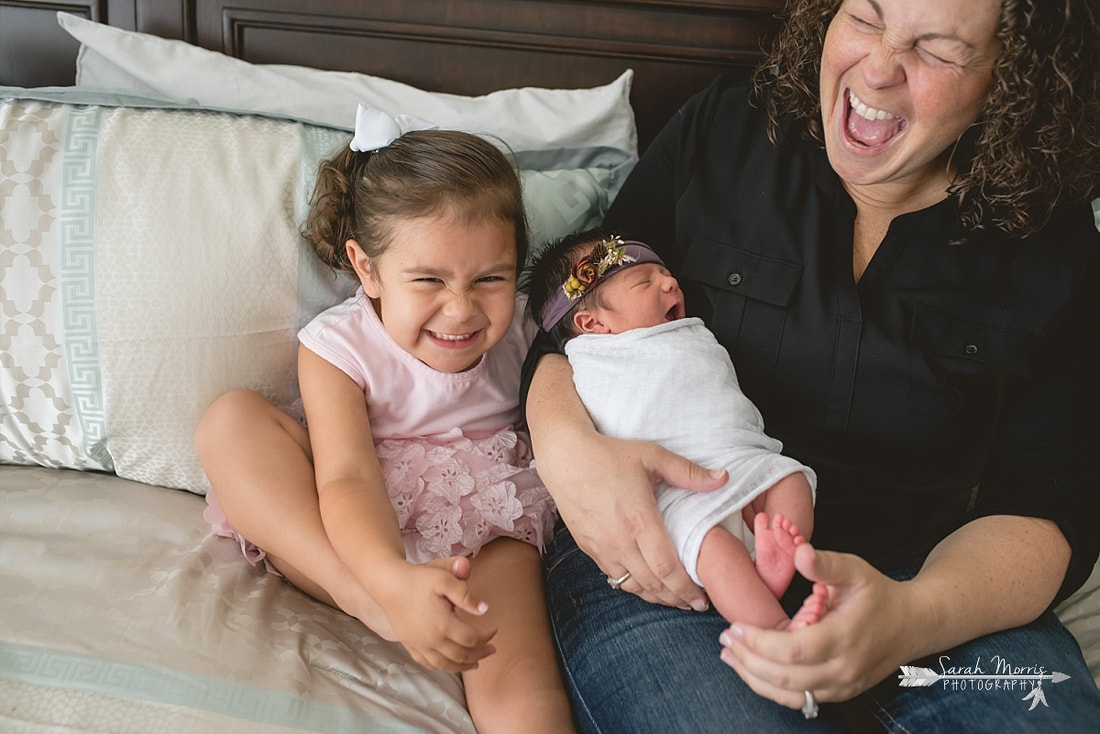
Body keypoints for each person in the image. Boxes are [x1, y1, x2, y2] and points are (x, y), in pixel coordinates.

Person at [522, 0, 1100, 731]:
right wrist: (566, 447)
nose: (880, 67)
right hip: (676, 553)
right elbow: (567, 312)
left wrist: (915, 615)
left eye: (940, 50)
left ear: (1011, 81)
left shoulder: (1051, 233)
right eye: (865, 15)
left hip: (935, 580)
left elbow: (1053, 500)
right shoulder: (726, 129)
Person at [195, 105, 574, 734]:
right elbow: (345, 476)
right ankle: (374, 605)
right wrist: (385, 581)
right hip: (351, 524)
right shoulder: (338, 346)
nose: (461, 310)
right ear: (367, 268)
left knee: (521, 679)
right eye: (428, 279)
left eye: (490, 278)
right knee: (229, 421)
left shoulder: (530, 333)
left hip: (487, 521)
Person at [523, 229, 825, 631]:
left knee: (791, 481)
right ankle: (770, 626)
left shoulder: (690, 332)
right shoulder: (591, 357)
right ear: (591, 322)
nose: (671, 283)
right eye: (645, 282)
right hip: (675, 492)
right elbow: (541, 370)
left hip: (744, 458)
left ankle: (778, 565)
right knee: (713, 548)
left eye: (666, 274)